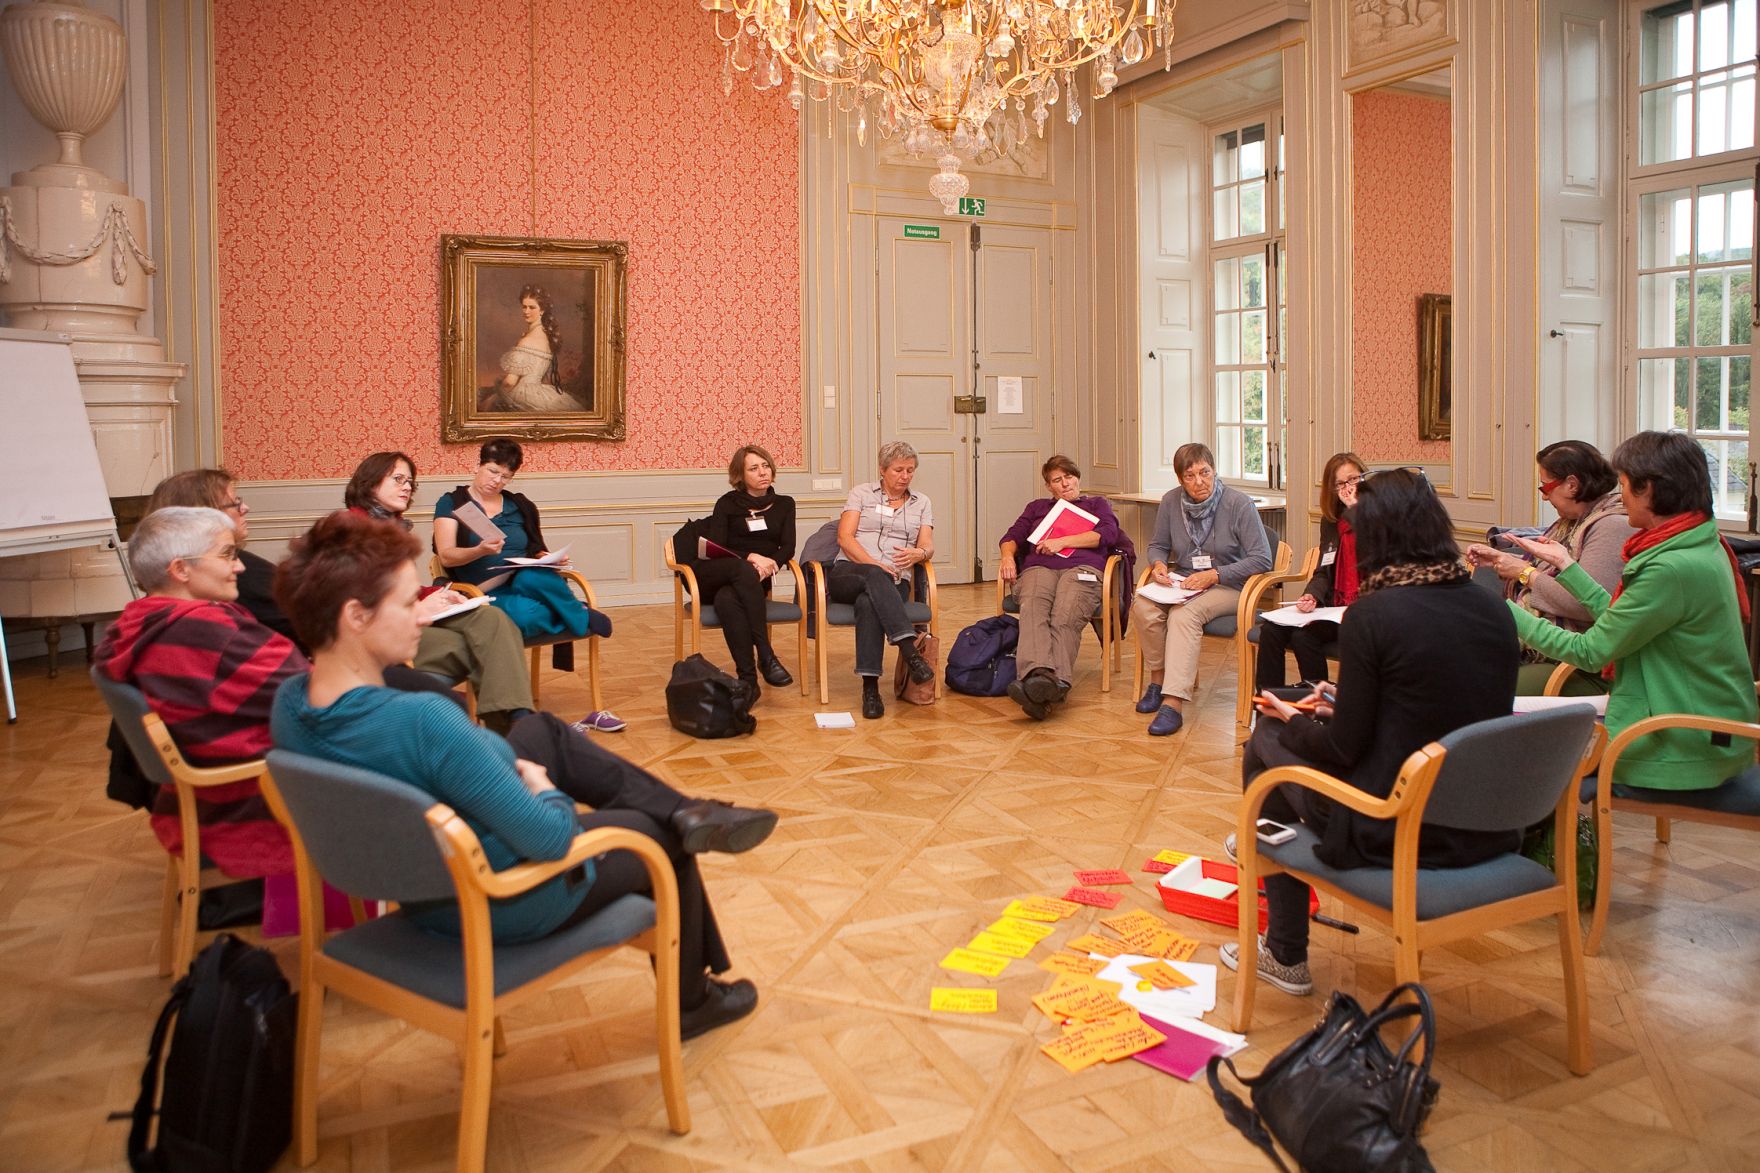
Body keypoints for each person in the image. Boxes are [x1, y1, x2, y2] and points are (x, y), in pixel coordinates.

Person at [269, 512, 773, 1037]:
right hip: (502, 896)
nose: (422, 614)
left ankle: (688, 809)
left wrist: (497, 755)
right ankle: (692, 1001)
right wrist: (543, 788)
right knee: (660, 838)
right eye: (405, 603)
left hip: (419, 886)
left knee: (544, 731)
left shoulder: (292, 704)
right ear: (355, 616)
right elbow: (551, 840)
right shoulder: (422, 721)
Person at [1222, 469, 1520, 996]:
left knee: (1268, 738)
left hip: (1395, 823)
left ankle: (1284, 947)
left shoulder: (1375, 615)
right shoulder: (1494, 608)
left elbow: (1341, 752)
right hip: (1485, 820)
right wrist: (1336, 704)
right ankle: (1260, 844)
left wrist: (1294, 719)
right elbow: (1438, 707)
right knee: (1296, 714)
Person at [1504, 431, 1757, 792]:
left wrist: (1502, 611)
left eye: (1623, 485)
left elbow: (1589, 652)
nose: (1619, 497)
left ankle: (1550, 844)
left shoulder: (1669, 568)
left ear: (1649, 489)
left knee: (1508, 735)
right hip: (1702, 722)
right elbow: (1626, 619)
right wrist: (1566, 565)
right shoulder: (1700, 542)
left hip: (1677, 740)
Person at [145, 467, 505, 720]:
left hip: (339, 662)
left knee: (484, 626)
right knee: (457, 681)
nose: (245, 508)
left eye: (410, 480)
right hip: (336, 676)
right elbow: (315, 625)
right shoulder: (224, 602)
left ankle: (507, 718)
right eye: (234, 503)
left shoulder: (173, 612)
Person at [95, 507, 299, 880]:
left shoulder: (137, 622)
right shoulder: (208, 632)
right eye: (227, 555)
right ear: (181, 570)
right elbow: (312, 696)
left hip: (201, 795)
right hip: (255, 798)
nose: (239, 567)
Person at [432, 437, 625, 732]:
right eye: (493, 471)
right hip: (482, 594)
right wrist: (480, 550)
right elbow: (446, 555)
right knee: (524, 617)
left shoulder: (519, 505)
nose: (497, 481)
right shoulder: (452, 502)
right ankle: (577, 614)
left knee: (536, 575)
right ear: (479, 464)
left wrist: (548, 558)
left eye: (505, 476)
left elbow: (535, 547)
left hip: (526, 580)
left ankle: (573, 610)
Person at [341, 452, 542, 733]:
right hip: (374, 639)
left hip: (409, 617)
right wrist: (416, 609)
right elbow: (351, 601)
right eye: (398, 479)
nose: (407, 487)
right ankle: (513, 730)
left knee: (491, 618)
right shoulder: (348, 529)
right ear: (370, 482)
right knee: (476, 644)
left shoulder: (393, 527)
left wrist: (438, 593)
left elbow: (397, 587)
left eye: (410, 481)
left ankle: (519, 721)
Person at [1465, 440, 1635, 695]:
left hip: (1578, 664)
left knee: (1482, 689)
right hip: (1553, 650)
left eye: (1545, 487)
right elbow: (1554, 576)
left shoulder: (1612, 526)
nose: (1544, 496)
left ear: (1572, 484)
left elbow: (1582, 606)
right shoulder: (1573, 522)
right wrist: (1503, 561)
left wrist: (1523, 572)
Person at [1131, 442, 1273, 736]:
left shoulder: (1238, 503)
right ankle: (1158, 681)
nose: (1199, 482)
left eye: (1205, 472)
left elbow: (1262, 558)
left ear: (1214, 469)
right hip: (1183, 581)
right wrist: (1158, 565)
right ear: (1180, 479)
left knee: (1184, 615)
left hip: (1230, 586)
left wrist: (1215, 575)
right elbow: (1158, 545)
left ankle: (1173, 703)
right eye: (1190, 476)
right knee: (1143, 604)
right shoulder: (1171, 502)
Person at [996, 455, 1126, 720]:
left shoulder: (1097, 504)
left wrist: (1061, 541)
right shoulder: (1037, 507)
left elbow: (1108, 535)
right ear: (1049, 486)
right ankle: (1045, 680)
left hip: (1083, 569)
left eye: (1069, 476)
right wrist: (1008, 556)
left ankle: (1039, 684)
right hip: (1040, 567)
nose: (1065, 483)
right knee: (1033, 607)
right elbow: (1011, 537)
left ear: (1077, 477)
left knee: (1065, 614)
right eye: (1057, 480)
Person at [830, 441, 937, 720]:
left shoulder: (921, 502)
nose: (905, 476)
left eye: (910, 471)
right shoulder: (861, 494)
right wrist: (874, 565)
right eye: (898, 470)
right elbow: (844, 537)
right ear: (882, 469)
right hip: (849, 573)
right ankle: (909, 650)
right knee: (875, 577)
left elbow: (928, 545)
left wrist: (919, 552)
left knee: (869, 603)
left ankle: (870, 690)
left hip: (894, 581)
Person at [1253, 452, 1364, 691]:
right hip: (1333, 607)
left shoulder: (1382, 518)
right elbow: (1324, 570)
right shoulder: (1332, 522)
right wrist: (1311, 595)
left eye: (1353, 480)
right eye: (1340, 484)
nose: (1348, 488)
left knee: (1304, 638)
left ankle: (1319, 708)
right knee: (1271, 631)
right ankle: (1267, 711)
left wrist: (1359, 512)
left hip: (1366, 611)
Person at [701, 444, 797, 701]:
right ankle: (766, 655)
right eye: (754, 468)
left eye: (765, 466)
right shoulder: (727, 503)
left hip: (755, 580)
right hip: (723, 570)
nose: (763, 472)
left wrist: (770, 566)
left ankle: (748, 682)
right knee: (741, 570)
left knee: (727, 600)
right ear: (740, 476)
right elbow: (716, 548)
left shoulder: (785, 504)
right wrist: (751, 557)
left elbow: (788, 546)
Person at [489, 285, 582, 414]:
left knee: (489, 403)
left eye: (532, 307)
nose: (526, 311)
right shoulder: (547, 336)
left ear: (542, 310)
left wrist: (499, 390)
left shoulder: (527, 340)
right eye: (524, 306)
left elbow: (510, 383)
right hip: (540, 392)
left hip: (524, 394)